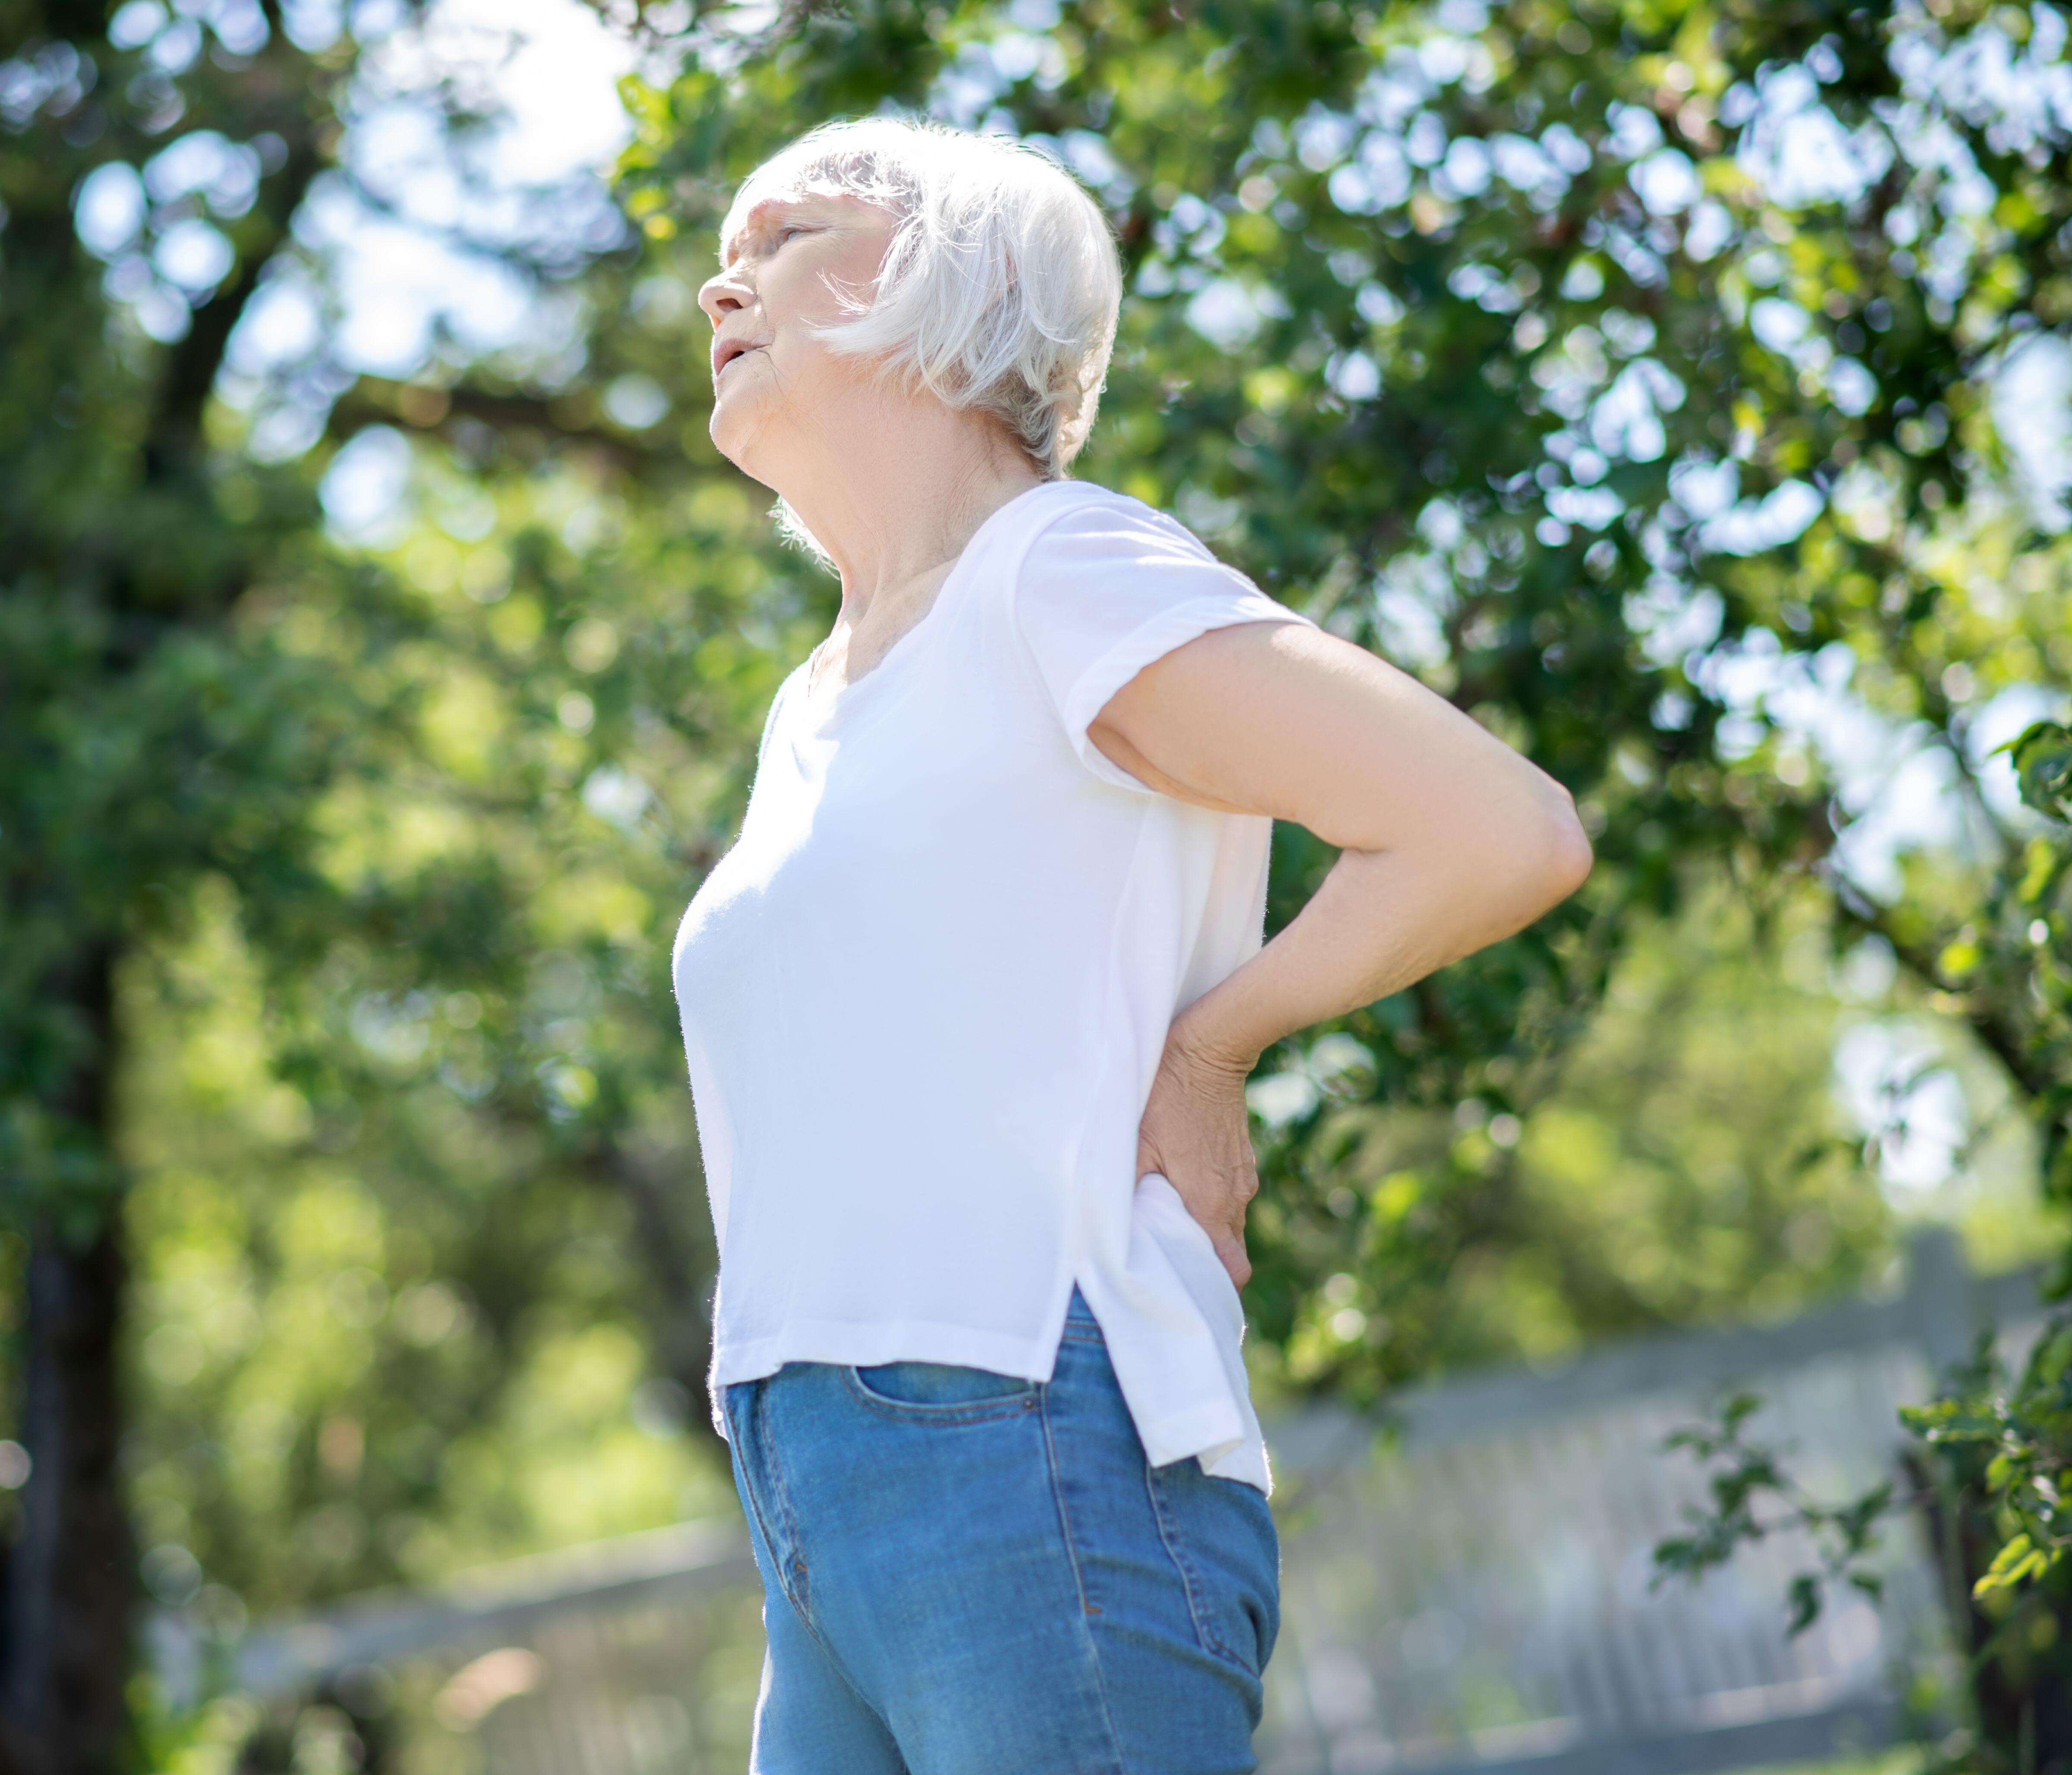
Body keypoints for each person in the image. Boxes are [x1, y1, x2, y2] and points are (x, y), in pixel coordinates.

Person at [668, 116, 1593, 1773]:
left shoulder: (1058, 565)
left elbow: (1498, 831)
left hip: (1028, 1445)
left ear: (952, 278)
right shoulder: (818, 699)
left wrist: (1211, 1046)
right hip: (809, 1491)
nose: (720, 282)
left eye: (789, 233)